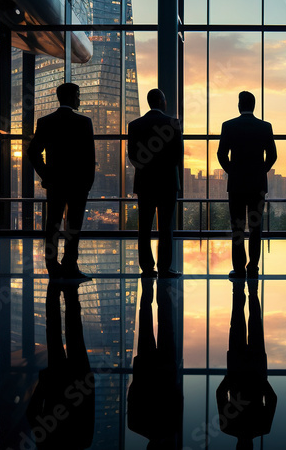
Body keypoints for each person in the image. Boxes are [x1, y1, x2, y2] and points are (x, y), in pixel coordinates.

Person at [27, 82, 95, 280]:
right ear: (72, 96)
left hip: (56, 183)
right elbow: (89, 157)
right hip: (78, 184)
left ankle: (52, 266)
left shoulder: (46, 121)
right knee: (74, 226)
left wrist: (46, 175)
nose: (79, 99)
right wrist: (88, 182)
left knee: (53, 224)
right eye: (78, 95)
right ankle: (70, 265)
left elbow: (33, 152)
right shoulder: (84, 122)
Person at [26, 281, 94, 449]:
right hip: (57, 382)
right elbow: (32, 413)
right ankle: (55, 283)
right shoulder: (47, 444)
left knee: (73, 330)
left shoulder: (83, 442)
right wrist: (43, 384)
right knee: (55, 330)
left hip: (77, 381)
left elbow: (89, 409)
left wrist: (88, 381)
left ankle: (69, 288)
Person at [217, 91, 277, 279]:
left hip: (236, 185)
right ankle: (253, 267)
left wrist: (232, 171)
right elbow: (273, 155)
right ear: (254, 105)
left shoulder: (228, 126)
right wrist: (261, 171)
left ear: (239, 105)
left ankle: (239, 268)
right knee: (255, 227)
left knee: (237, 228)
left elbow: (221, 154)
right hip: (257, 185)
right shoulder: (265, 127)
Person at [128, 88, 184, 278]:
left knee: (144, 226)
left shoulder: (135, 125)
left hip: (145, 183)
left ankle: (146, 267)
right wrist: (164, 168)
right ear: (161, 102)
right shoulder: (173, 123)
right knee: (166, 227)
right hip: (167, 183)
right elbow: (177, 156)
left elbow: (133, 158)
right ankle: (164, 267)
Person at [217, 280, 277, 449]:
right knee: (237, 322)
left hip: (256, 367)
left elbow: (272, 399)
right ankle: (238, 289)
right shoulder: (227, 427)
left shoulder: (263, 428)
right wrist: (231, 377)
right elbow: (220, 393)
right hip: (236, 367)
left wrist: (260, 380)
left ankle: (252, 290)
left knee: (255, 324)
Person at [128, 278, 182, 448]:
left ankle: (163, 286)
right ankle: (148, 286)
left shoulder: (171, 428)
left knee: (166, 324)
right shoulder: (135, 426)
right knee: (145, 321)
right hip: (145, 368)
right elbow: (133, 393)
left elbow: (177, 398)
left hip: (166, 370)